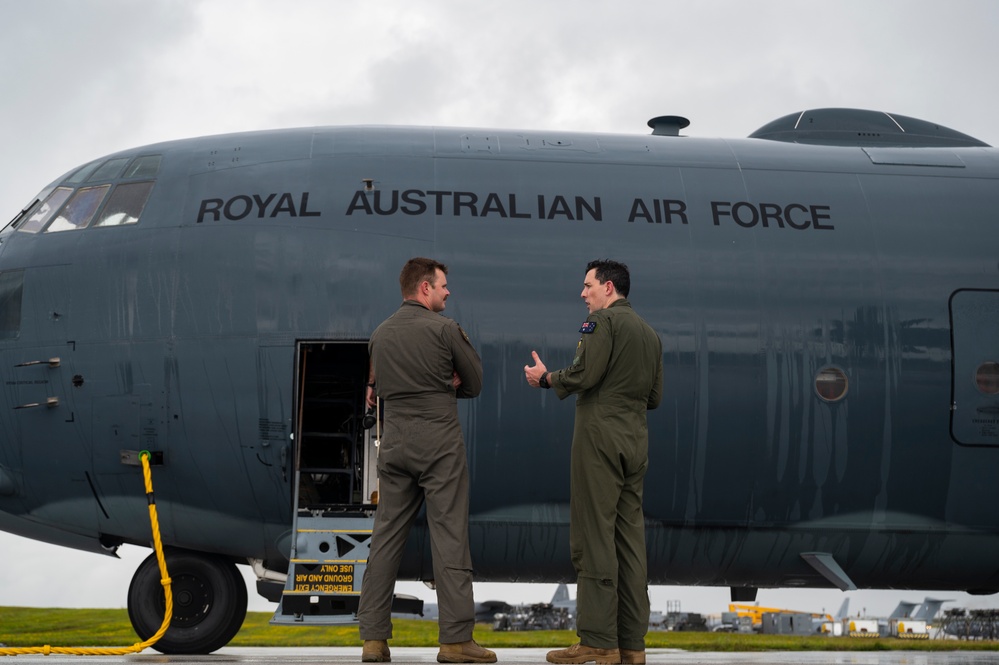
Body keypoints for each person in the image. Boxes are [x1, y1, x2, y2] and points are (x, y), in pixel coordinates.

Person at [524, 259, 663, 665]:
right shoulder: (650, 335)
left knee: (593, 536)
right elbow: (653, 398)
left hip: (599, 439)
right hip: (635, 441)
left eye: (588, 286)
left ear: (608, 287)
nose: (583, 294)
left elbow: (585, 374)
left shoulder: (602, 324)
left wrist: (547, 379)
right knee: (629, 544)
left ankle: (599, 641)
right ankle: (632, 646)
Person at [358, 257, 496, 664]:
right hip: (438, 442)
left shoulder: (380, 334)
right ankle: (455, 641)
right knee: (449, 536)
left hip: (395, 442)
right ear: (424, 288)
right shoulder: (445, 329)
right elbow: (474, 382)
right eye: (442, 286)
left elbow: (376, 387)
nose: (447, 292)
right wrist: (447, 380)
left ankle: (373, 640)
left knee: (385, 539)